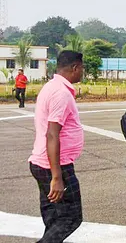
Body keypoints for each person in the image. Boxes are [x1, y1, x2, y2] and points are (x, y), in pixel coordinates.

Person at [28, 51, 85, 242]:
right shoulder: (61, 93)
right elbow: (52, 134)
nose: (82, 72)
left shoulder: (51, 87)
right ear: (75, 67)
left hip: (43, 162)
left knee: (54, 218)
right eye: (82, 68)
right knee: (71, 217)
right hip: (54, 165)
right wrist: (57, 176)